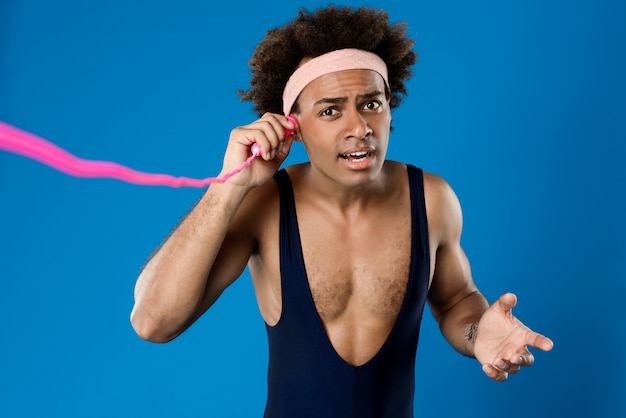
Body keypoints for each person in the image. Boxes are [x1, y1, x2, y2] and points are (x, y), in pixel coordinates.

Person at [130, 5, 553, 417]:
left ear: (390, 106)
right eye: (330, 110)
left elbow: (456, 299)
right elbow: (154, 322)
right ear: (292, 125)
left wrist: (479, 332)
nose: (359, 127)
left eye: (371, 103)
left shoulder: (432, 198)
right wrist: (229, 185)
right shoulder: (264, 204)